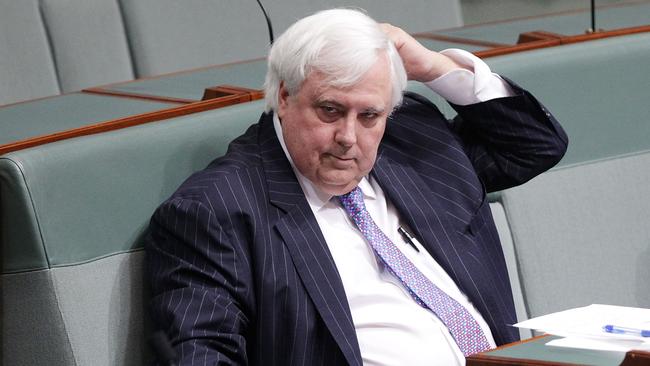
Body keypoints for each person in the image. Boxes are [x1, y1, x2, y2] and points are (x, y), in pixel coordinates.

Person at [146, 8, 567, 366]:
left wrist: (434, 68)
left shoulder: (410, 139)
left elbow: (533, 146)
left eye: (370, 116)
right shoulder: (215, 212)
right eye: (330, 110)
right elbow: (204, 355)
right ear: (285, 95)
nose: (349, 136)